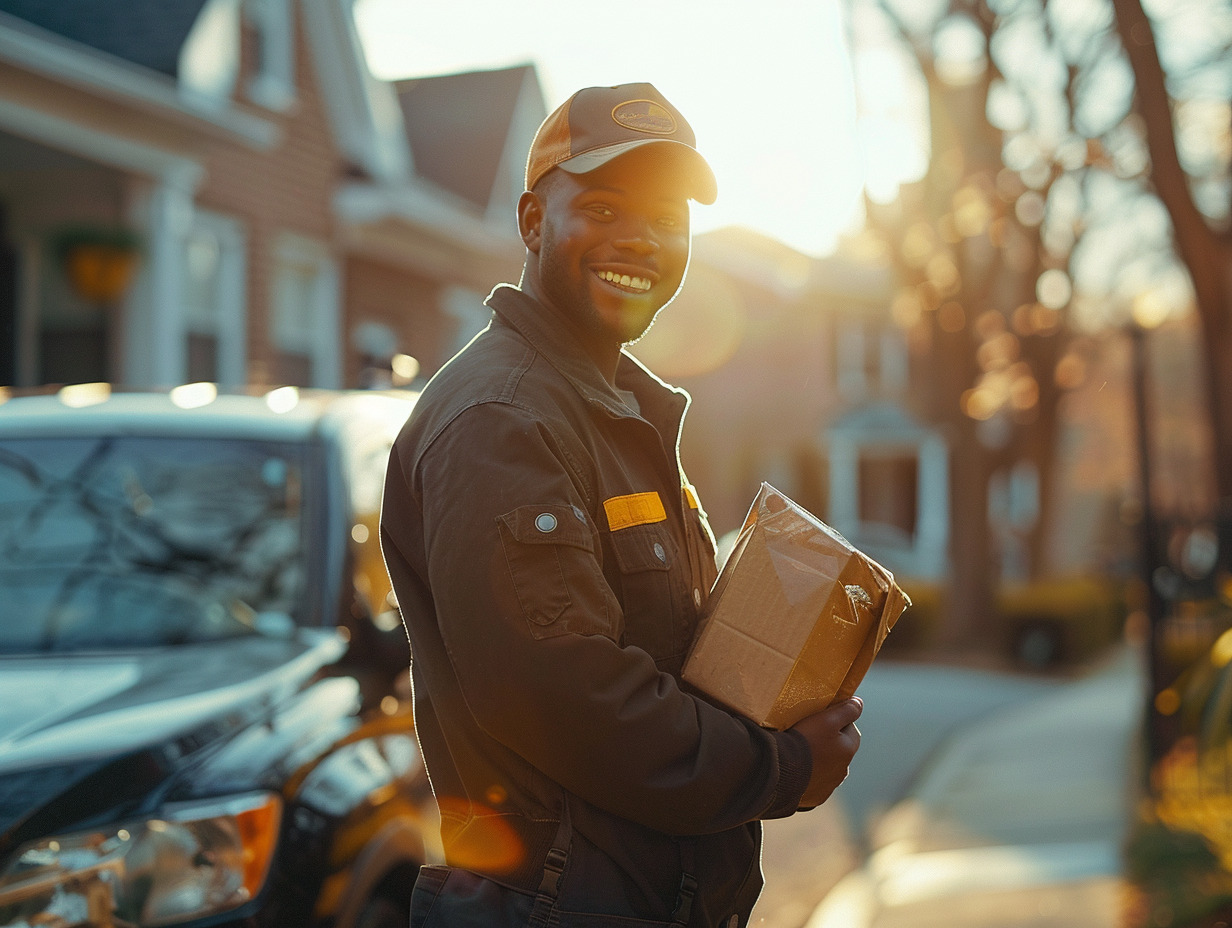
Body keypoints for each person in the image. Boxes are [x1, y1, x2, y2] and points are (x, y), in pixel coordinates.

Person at [380, 82, 863, 928]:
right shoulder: (504, 419)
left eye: (669, 219)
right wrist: (781, 767)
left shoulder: (606, 410)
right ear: (533, 221)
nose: (641, 239)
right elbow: (568, 696)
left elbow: (667, 654)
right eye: (603, 207)